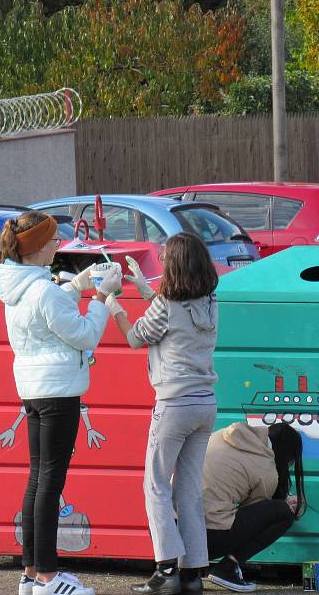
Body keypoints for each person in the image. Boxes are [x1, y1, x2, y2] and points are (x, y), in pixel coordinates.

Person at [0, 211, 122, 595]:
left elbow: (47, 312)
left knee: (37, 479)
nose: (58, 245)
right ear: (36, 247)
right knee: (51, 482)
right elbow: (82, 335)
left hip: (32, 390)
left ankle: (31, 573)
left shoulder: (16, 284)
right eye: (52, 240)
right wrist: (100, 295)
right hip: (59, 391)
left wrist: (78, 285)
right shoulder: (43, 289)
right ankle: (49, 577)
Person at [105, 233, 219, 595]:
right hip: (205, 404)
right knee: (187, 489)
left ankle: (165, 568)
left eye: (165, 258)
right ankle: (193, 573)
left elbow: (138, 337)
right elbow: (172, 317)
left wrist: (113, 306)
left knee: (154, 485)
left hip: (173, 405)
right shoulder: (210, 301)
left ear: (174, 266)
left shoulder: (167, 303)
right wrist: (144, 288)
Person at [201, 421, 307, 593]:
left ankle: (182, 571)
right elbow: (257, 515)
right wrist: (288, 505)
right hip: (206, 541)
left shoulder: (221, 435)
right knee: (283, 513)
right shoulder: (267, 469)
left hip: (174, 538)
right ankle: (227, 569)